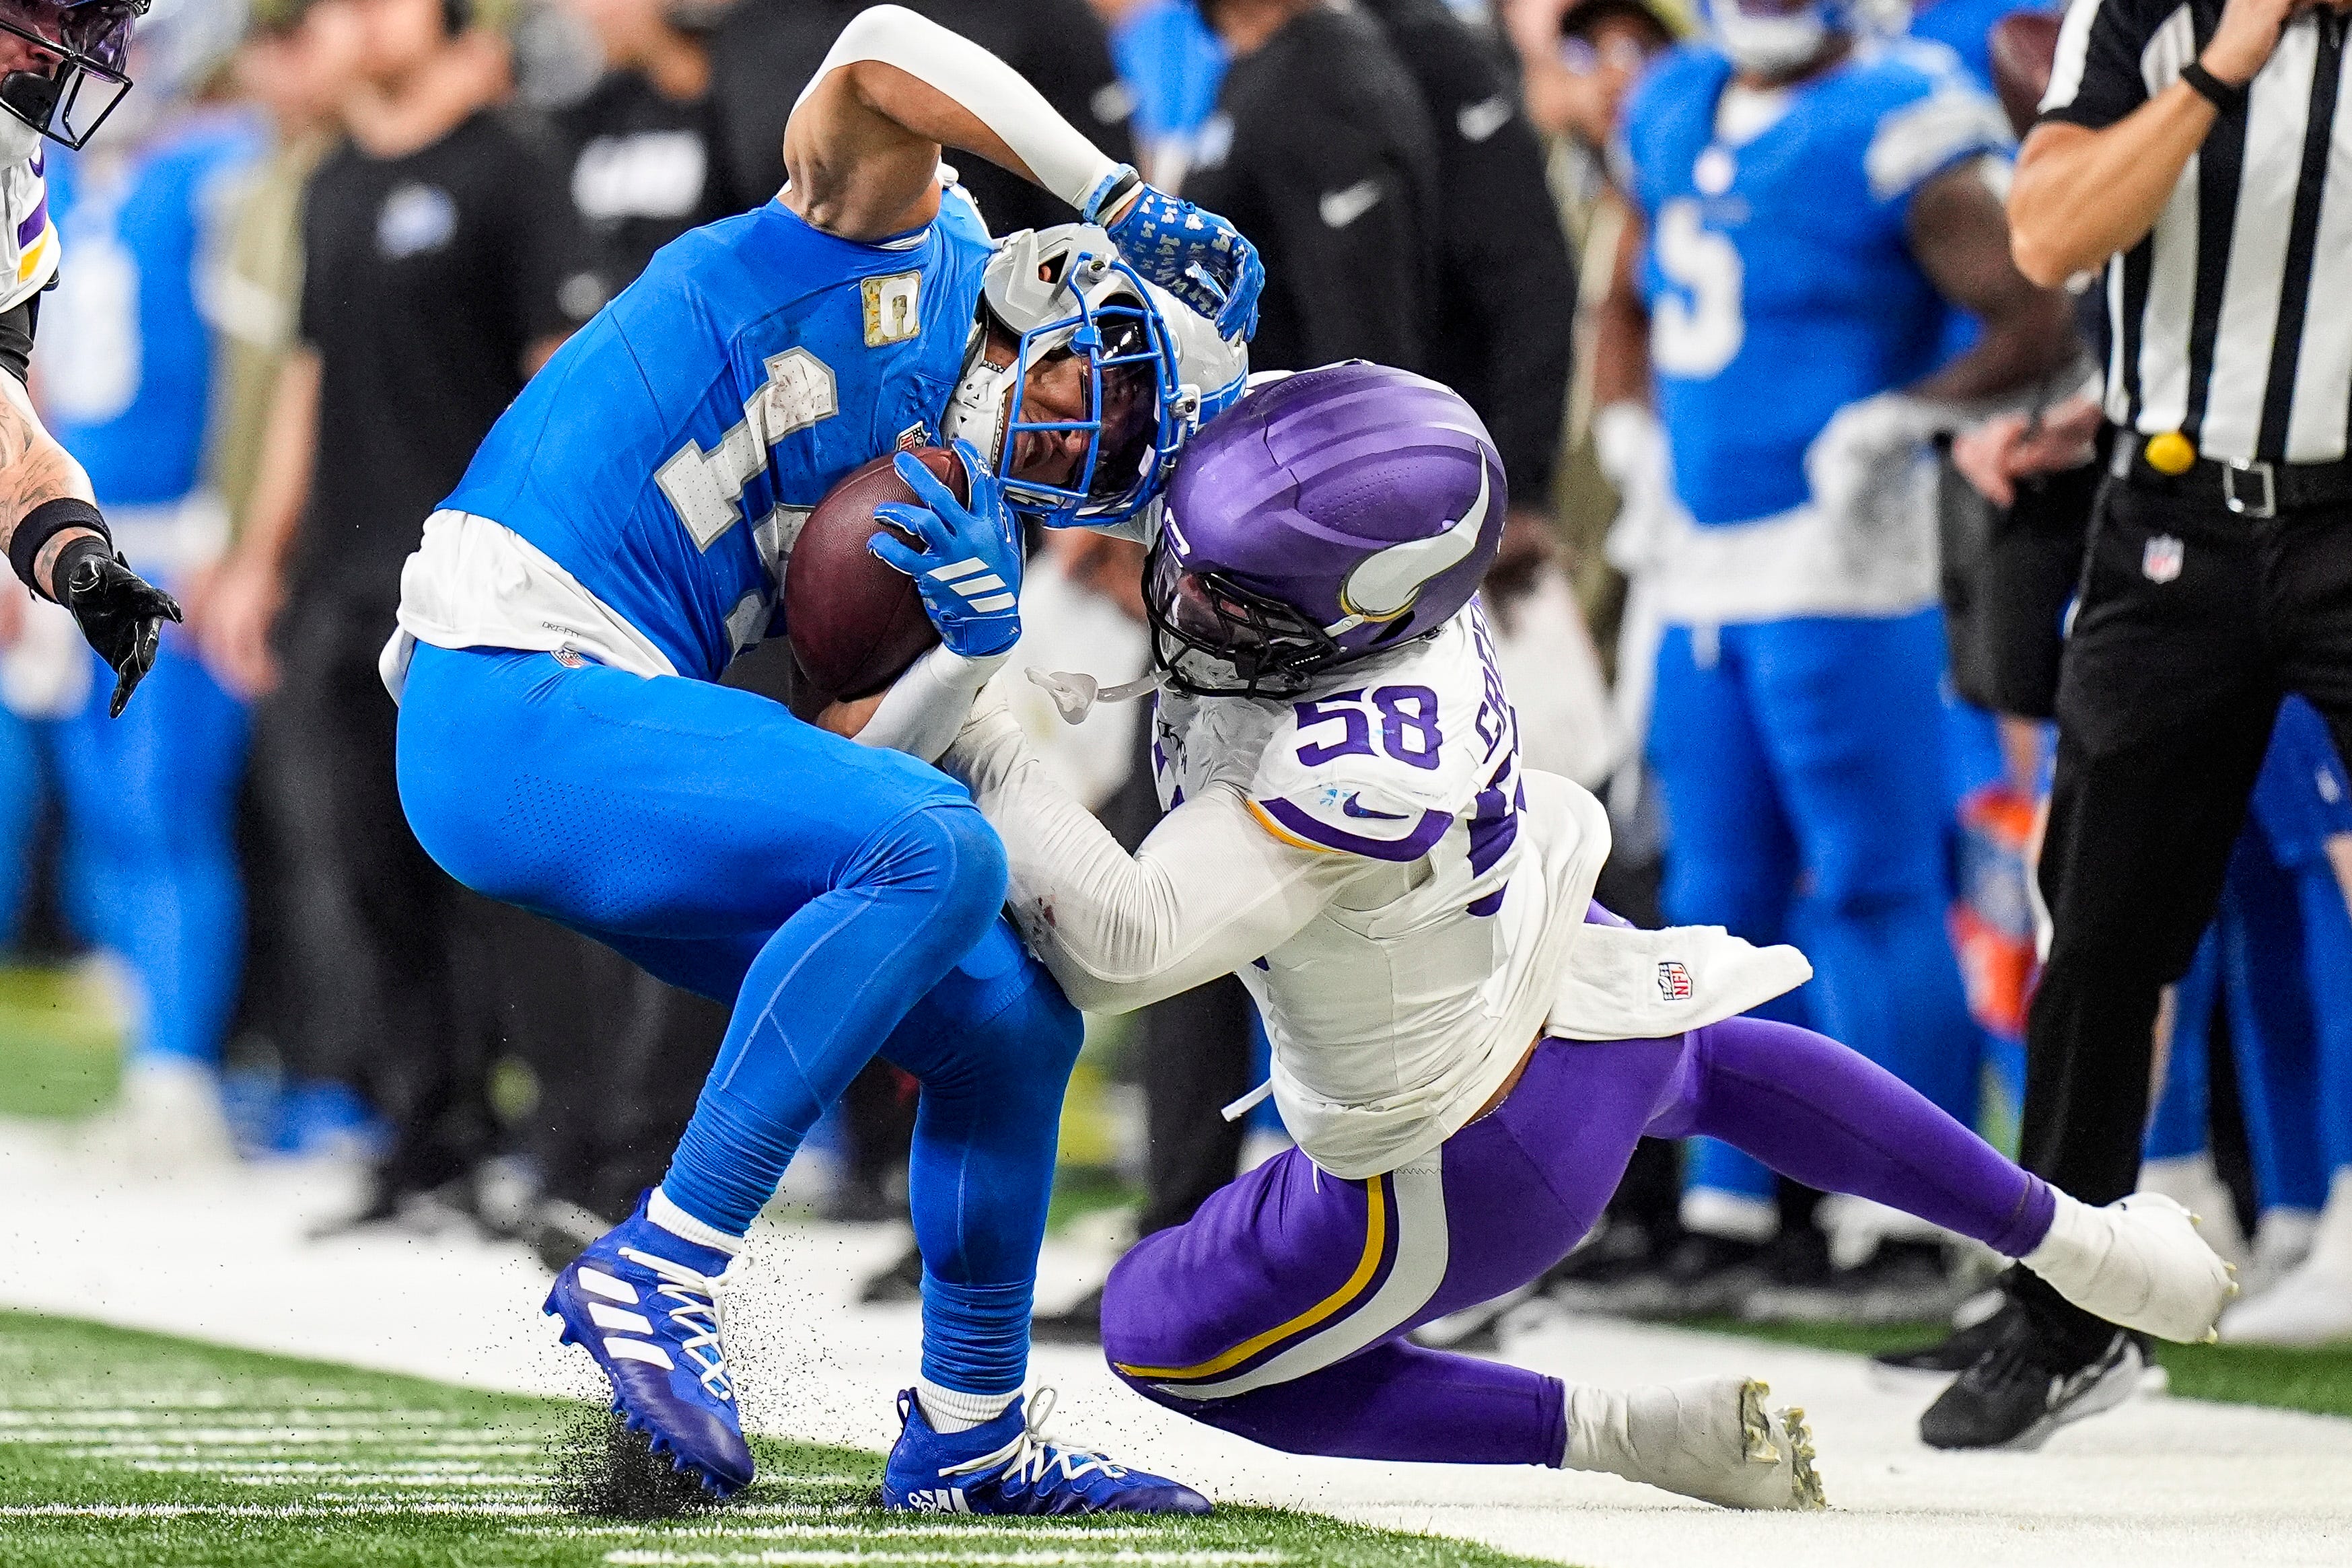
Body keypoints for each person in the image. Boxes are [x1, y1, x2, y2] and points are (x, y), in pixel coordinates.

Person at [869, 361, 2232, 1508]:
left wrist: (984, 728)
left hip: (1451, 1153)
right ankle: (2080, 1241)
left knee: (1157, 1338)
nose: (1188, 594)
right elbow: (1208, 433)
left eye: (1238, 596)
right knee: (1700, 1056)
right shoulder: (1332, 498)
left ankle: (1623, 1435)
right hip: (1566, 980)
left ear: (1355, 615)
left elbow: (1123, 946)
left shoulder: (1350, 748)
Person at [390, 3, 1260, 1508]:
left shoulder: (966, 504)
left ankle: (970, 1433)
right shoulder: (889, 237)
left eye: (1104, 454)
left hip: (616, 731)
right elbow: (872, 45)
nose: (1063, 446)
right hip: (505, 680)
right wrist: (1106, 182)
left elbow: (843, 756)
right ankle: (667, 1259)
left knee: (1009, 1020)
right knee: (942, 846)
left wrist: (969, 657)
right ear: (1056, 282)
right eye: (1079, 390)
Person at [1911, 0, 2352, 1448]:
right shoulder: (2153, 18)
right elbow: (2045, 236)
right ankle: (2065, 1317)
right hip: (2172, 524)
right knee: (2098, 932)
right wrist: (2223, 67)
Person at [1592, 0, 2077, 1311]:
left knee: (1868, 884)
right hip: (1696, 554)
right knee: (1709, 886)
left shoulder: (1896, 113)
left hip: (1838, 556)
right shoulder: (1671, 98)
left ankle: (1916, 1220)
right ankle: (1731, 1210)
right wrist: (1626, 422)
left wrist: (1905, 415)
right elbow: (1627, 295)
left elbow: (2038, 317)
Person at [196, 0, 601, 1217]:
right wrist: (257, 557)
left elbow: (556, 377)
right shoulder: (331, 182)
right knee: (363, 869)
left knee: (494, 877)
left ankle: (556, 1144)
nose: (355, 19)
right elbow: (308, 383)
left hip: (473, 587)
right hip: (342, 580)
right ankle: (425, 1137)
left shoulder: (513, 164)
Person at [34, 0, 264, 1165]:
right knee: (108, 811)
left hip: (183, 533)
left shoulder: (231, 165)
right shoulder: (59, 185)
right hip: (89, 543)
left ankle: (187, 1072)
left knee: (168, 805)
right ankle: (155, 1060)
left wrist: (228, 526)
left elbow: (257, 364)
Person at [0, 0, 183, 717]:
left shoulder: (12, 180)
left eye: (76, 21)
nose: (53, 47)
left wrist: (75, 556)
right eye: (32, 8)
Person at [1178, 0, 1439, 375]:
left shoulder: (1330, 73)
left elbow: (1359, 311)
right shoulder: (1257, 67)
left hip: (1301, 412)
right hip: (1242, 401)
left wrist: (1352, 421)